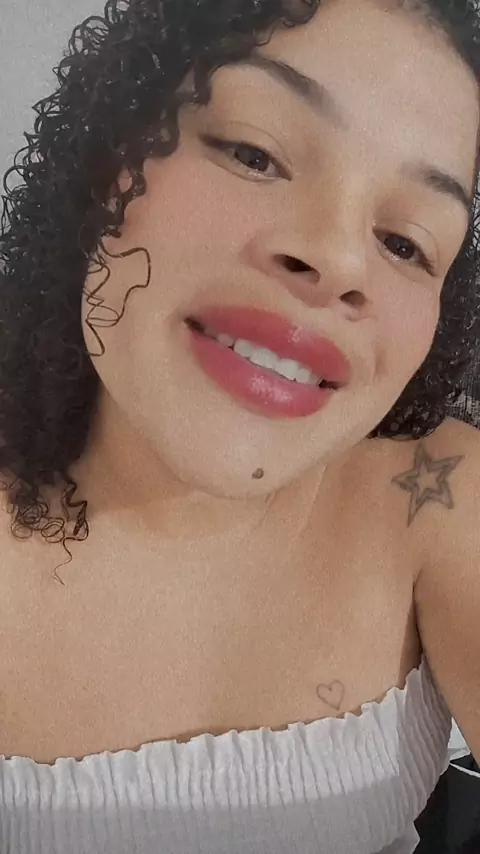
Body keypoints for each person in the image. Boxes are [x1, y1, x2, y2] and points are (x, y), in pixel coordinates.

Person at [0, 0, 479, 851]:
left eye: (407, 243)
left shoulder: (435, 498)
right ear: (109, 161)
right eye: (254, 153)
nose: (339, 261)